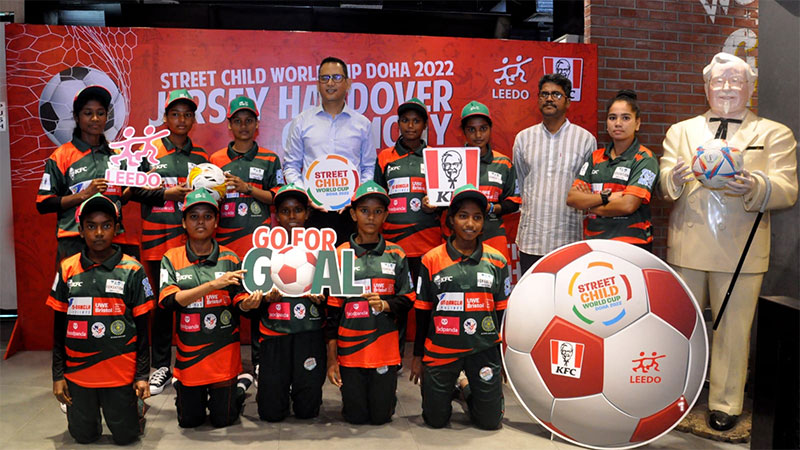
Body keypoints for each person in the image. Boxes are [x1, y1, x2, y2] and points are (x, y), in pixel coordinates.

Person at [659, 52, 798, 431]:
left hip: (742, 247)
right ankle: (675, 393)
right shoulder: (681, 131)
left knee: (734, 330)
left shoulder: (774, 133)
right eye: (718, 81)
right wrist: (675, 177)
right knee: (681, 324)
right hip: (688, 243)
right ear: (706, 87)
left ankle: (725, 402)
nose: (726, 88)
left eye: (736, 81)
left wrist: (756, 184)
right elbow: (665, 181)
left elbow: (787, 188)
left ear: (751, 87)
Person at [47, 193, 154, 445]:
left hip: (120, 373)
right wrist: (58, 376)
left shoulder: (133, 269)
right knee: (83, 437)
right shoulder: (67, 268)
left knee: (126, 438)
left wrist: (141, 376)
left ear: (116, 229)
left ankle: (136, 408)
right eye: (91, 226)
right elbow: (58, 328)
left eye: (106, 226)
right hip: (78, 373)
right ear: (81, 230)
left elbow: (143, 330)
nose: (98, 233)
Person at [410, 185, 510, 430]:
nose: (470, 224)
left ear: (483, 223)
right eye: (463, 216)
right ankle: (452, 387)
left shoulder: (497, 261)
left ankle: (464, 386)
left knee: (490, 423)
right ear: (451, 220)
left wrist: (502, 359)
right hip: (441, 348)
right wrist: (418, 356)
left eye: (477, 217)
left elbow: (502, 314)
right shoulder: (431, 259)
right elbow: (422, 311)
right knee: (435, 421)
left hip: (483, 348)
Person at [159, 188, 259, 428]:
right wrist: (213, 285)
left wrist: (248, 304)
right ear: (184, 222)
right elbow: (168, 302)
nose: (201, 222)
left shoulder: (230, 258)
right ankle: (183, 387)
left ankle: (239, 386)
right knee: (189, 422)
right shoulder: (171, 257)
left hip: (223, 357)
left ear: (216, 222)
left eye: (207, 216)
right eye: (194, 216)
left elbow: (239, 301)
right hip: (190, 358)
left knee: (223, 420)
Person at [136, 88, 209, 396]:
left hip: (192, 246)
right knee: (162, 306)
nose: (181, 119)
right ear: (165, 118)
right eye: (175, 114)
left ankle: (191, 363)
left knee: (194, 302)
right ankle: (161, 366)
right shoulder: (148, 152)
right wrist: (166, 193)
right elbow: (131, 191)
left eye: (187, 114)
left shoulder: (201, 157)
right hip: (157, 243)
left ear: (193, 119)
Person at [326, 181, 415, 425]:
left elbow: (408, 298)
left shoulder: (397, 253)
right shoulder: (339, 254)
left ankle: (386, 395)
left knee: (380, 418)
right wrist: (332, 360)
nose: (371, 217)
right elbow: (332, 311)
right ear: (353, 214)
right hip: (350, 352)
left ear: (385, 215)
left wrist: (385, 305)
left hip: (384, 351)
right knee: (355, 417)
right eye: (365, 211)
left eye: (377, 211)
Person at [210, 95, 283, 373]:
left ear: (257, 124)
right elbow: (209, 200)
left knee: (259, 304)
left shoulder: (269, 158)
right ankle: (226, 362)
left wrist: (247, 188)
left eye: (249, 120)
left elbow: (277, 197)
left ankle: (260, 363)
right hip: (225, 246)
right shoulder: (216, 159)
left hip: (258, 246)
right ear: (229, 125)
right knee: (228, 304)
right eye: (238, 121)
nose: (243, 126)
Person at [374, 97, 442, 369]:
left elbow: (448, 201)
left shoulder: (435, 157)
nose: (410, 126)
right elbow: (377, 198)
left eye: (416, 121)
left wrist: (436, 204)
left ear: (425, 126)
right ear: (398, 124)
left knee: (426, 304)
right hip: (394, 245)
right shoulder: (385, 157)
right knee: (395, 304)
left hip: (427, 246)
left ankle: (426, 354)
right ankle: (394, 357)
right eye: (405, 120)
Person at [36, 85, 137, 265]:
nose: (95, 119)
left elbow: (121, 198)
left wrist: (138, 186)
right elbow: (44, 204)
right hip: (73, 240)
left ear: (107, 117)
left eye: (101, 113)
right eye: (88, 113)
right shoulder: (61, 156)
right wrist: (84, 195)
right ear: (77, 117)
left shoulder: (117, 155)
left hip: (113, 239)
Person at [251, 184, 326, 422]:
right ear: (277, 215)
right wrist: (264, 298)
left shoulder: (323, 247)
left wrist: (322, 298)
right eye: (285, 211)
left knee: (307, 412)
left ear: (307, 213)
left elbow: (336, 293)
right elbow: (250, 296)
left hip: (309, 332)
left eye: (298, 210)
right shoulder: (263, 248)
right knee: (271, 414)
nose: (292, 216)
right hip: (275, 332)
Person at [284, 56, 375, 245]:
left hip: (350, 212)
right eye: (324, 78)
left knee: (350, 261)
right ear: (318, 84)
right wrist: (306, 195)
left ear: (348, 83)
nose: (330, 83)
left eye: (337, 77)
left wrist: (356, 196)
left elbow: (368, 168)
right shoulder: (302, 122)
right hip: (313, 212)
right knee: (314, 263)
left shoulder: (362, 124)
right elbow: (291, 166)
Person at [512, 74, 597, 273]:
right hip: (532, 238)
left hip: (568, 238)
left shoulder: (585, 140)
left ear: (568, 102)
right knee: (532, 291)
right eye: (544, 94)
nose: (549, 99)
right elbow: (521, 183)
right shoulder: (523, 138)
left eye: (556, 95)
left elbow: (587, 190)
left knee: (567, 291)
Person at [566, 90, 658, 250]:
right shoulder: (596, 157)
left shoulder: (645, 159)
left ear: (637, 123)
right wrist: (606, 196)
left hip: (632, 245)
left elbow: (628, 205)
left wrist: (590, 206)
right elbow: (573, 198)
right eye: (612, 117)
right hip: (594, 243)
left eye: (626, 118)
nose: (618, 123)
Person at [458, 100, 521, 262]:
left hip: (492, 234)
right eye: (471, 129)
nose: (478, 135)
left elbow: (513, 203)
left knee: (495, 276)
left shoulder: (503, 163)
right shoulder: (451, 161)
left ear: (490, 129)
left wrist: (491, 207)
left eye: (483, 129)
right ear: (463, 132)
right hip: (458, 238)